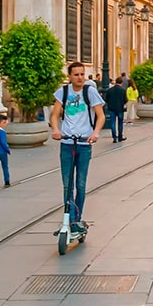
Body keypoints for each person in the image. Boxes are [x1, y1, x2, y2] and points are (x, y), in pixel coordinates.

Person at [51, 61, 105, 236]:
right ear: (70, 76)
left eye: (82, 74)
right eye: (76, 74)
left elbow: (100, 116)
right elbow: (54, 115)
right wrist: (56, 130)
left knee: (80, 184)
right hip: (67, 143)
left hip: (84, 144)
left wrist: (95, 132)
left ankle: (76, 219)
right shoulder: (63, 92)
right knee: (67, 184)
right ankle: (71, 220)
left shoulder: (90, 92)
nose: (80, 77)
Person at [104, 77, 128, 142]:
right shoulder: (123, 90)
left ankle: (114, 137)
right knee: (120, 122)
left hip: (111, 108)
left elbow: (106, 99)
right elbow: (125, 100)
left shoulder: (110, 90)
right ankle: (120, 136)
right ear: (121, 83)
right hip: (120, 108)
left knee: (112, 122)